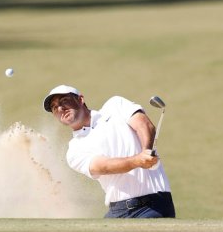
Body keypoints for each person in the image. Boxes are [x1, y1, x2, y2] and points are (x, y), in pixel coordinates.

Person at [43, 85, 175, 218]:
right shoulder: (74, 150)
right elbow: (104, 166)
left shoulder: (115, 105)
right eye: (54, 108)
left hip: (152, 206)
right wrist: (138, 160)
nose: (60, 108)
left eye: (64, 100)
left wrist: (146, 151)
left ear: (80, 99)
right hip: (118, 211)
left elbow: (144, 125)